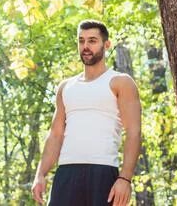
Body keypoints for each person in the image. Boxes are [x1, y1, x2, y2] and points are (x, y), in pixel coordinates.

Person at [31, 20, 142, 206]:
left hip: (103, 173)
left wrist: (125, 178)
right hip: (66, 173)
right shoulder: (65, 87)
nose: (85, 46)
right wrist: (40, 174)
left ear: (106, 45)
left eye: (92, 41)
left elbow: (134, 132)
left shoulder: (120, 82)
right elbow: (56, 134)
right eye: (81, 41)